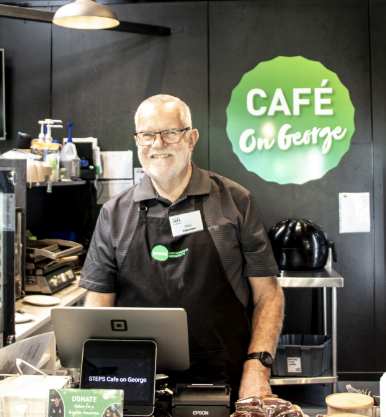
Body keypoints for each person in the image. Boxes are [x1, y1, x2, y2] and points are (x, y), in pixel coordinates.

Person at [79, 94, 284, 399]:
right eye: (147, 134)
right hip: (136, 380)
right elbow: (97, 305)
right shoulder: (114, 214)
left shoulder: (234, 201)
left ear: (191, 138)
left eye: (170, 132)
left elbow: (268, 294)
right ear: (138, 142)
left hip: (221, 377)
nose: (158, 144)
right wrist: (98, 377)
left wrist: (257, 368)